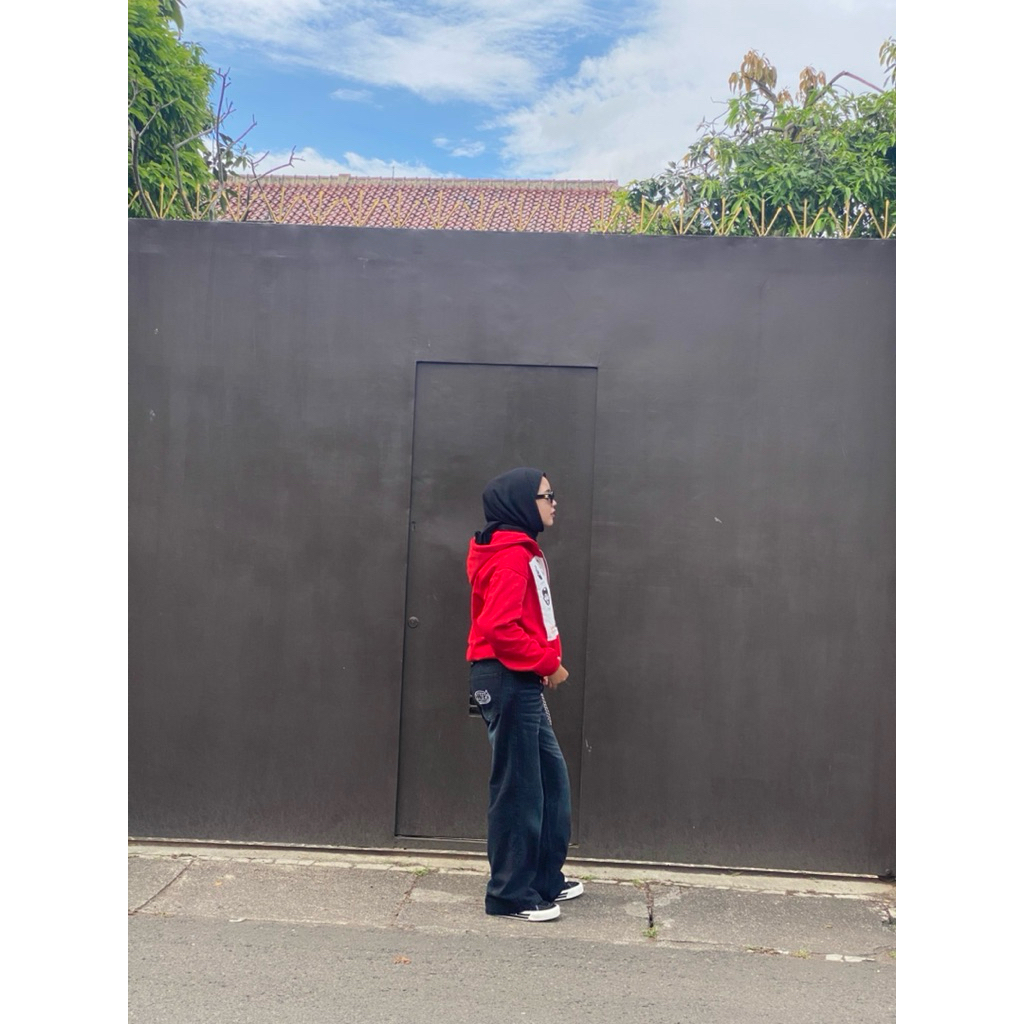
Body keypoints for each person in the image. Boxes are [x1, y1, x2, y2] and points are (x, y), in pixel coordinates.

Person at [465, 467, 584, 922]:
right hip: (506, 678)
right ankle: (509, 893)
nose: (554, 503)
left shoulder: (521, 551)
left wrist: (540, 662)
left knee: (550, 780)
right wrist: (547, 663)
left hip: (518, 678)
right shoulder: (512, 556)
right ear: (520, 503)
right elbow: (499, 628)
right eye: (546, 495)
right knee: (519, 789)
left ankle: (543, 878)